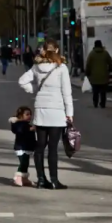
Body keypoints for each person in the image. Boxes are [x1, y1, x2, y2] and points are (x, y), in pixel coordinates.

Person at [18, 41, 73, 190]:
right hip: (56, 110)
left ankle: (41, 180)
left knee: (40, 146)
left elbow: (22, 81)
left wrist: (34, 89)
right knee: (53, 148)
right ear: (56, 50)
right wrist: (69, 113)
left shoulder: (36, 67)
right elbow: (67, 93)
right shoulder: (61, 68)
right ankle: (54, 181)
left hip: (41, 109)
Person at [9, 106, 37, 187]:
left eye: (30, 114)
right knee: (23, 162)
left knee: (26, 163)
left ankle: (24, 178)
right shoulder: (18, 124)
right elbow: (19, 130)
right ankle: (18, 177)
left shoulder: (27, 124)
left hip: (28, 147)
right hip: (21, 147)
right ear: (21, 115)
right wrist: (30, 129)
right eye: (27, 114)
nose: (29, 116)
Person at [84, 40, 112, 108]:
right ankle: (102, 103)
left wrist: (87, 73)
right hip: (104, 76)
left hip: (94, 76)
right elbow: (110, 62)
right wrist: (111, 69)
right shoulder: (105, 53)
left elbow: (88, 64)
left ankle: (95, 103)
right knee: (103, 92)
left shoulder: (91, 54)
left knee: (95, 91)